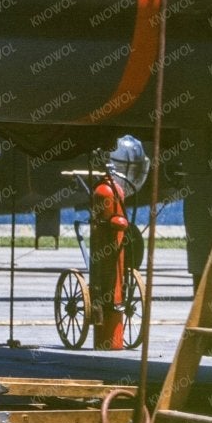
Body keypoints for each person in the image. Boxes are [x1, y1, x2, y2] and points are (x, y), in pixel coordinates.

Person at [88, 150, 132, 351]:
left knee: (114, 281)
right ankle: (103, 327)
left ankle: (112, 336)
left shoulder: (107, 190)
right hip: (105, 235)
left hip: (111, 235)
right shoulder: (105, 191)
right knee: (103, 278)